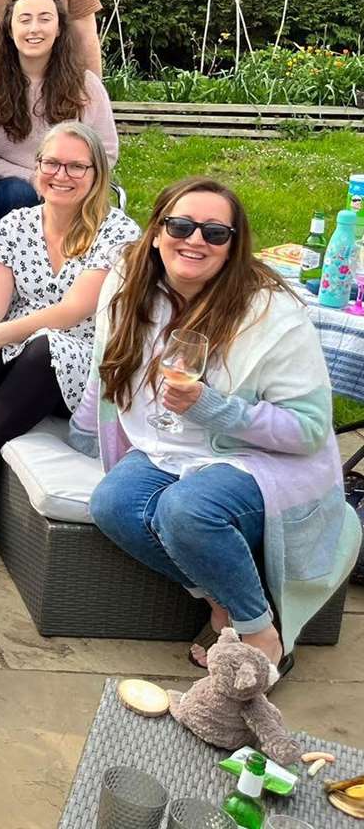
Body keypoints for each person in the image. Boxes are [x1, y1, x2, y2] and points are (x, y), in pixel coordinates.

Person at [80, 178, 361, 673]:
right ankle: (225, 603)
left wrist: (212, 407)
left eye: (215, 233)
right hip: (169, 449)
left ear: (234, 247)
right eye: (181, 225)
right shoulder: (130, 282)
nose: (194, 240)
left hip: (261, 459)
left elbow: (311, 430)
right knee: (113, 503)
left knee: (186, 509)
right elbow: (108, 372)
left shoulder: (270, 313)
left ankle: (262, 636)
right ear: (157, 231)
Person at [0, 121, 139, 555]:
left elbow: (75, 310)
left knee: (44, 346)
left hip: (82, 354)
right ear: (37, 168)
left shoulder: (117, 232)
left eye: (75, 166)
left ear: (96, 174)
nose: (61, 175)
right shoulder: (16, 224)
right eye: (52, 163)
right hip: (12, 342)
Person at [0, 0, 119, 227]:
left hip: (71, 182)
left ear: (59, 29)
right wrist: (32, 176)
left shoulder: (86, 85)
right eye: (24, 20)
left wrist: (62, 178)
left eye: (45, 19)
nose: (34, 28)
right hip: (12, 190)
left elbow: (106, 151)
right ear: (9, 29)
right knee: (18, 193)